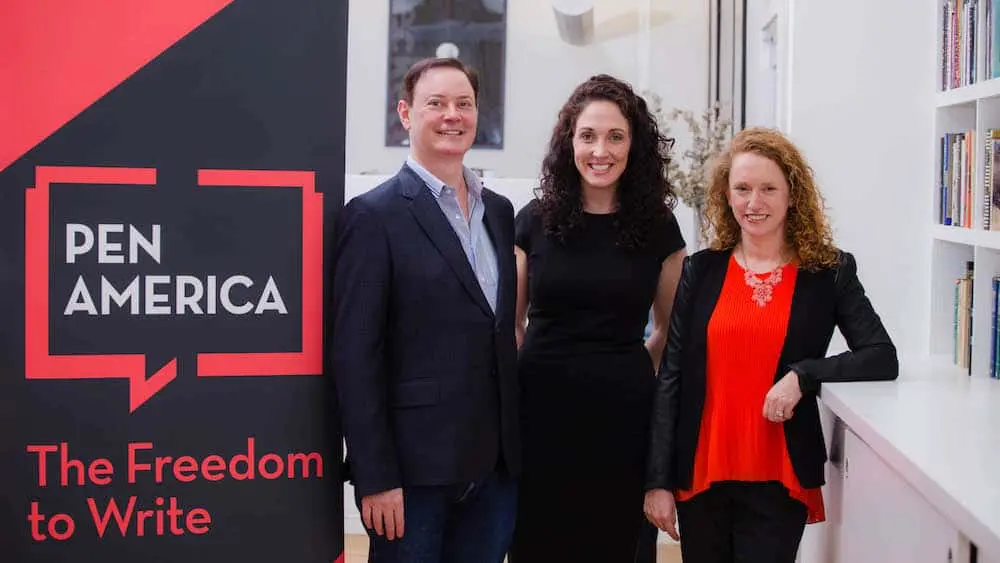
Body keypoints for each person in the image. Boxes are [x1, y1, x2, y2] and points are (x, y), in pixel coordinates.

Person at [643, 127, 899, 562]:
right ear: (726, 194)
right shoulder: (701, 271)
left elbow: (881, 356)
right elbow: (672, 376)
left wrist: (804, 376)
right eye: (742, 189)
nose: (753, 203)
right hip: (701, 475)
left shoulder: (828, 272)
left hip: (780, 477)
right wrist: (658, 480)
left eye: (768, 189)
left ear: (791, 194)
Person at [330, 57, 520, 563]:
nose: (451, 115)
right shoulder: (373, 216)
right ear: (406, 114)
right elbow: (355, 356)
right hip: (412, 479)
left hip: (492, 470)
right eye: (435, 103)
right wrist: (375, 476)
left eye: (464, 103)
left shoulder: (498, 212)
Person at [508, 74, 687, 562]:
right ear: (569, 142)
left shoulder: (659, 228)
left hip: (623, 423)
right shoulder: (532, 220)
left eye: (615, 137)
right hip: (539, 418)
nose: (599, 150)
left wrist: (625, 370)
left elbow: (671, 332)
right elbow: (511, 324)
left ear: (635, 146)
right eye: (587, 136)